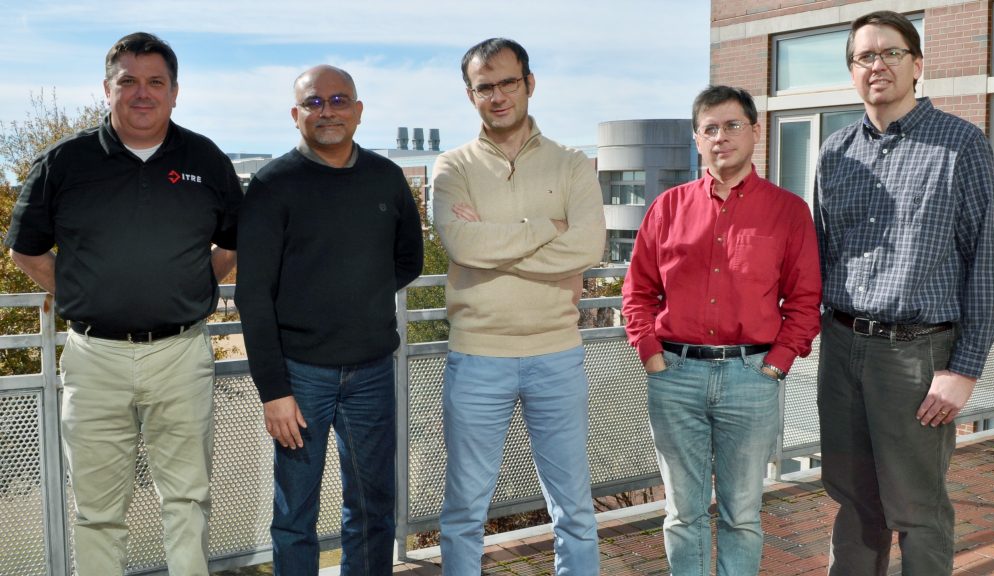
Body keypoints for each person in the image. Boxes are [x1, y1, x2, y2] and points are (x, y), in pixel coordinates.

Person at [4, 32, 241, 575]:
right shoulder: (64, 162)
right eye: (128, 81)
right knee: (97, 511)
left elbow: (231, 244)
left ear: (175, 92)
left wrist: (186, 286)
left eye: (155, 82)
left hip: (181, 354)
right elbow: (25, 250)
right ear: (106, 89)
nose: (142, 93)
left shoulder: (206, 159)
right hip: (94, 359)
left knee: (188, 500)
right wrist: (90, 293)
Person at [815, 10, 994, 575]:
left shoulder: (961, 144)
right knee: (852, 502)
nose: (877, 65)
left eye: (890, 53)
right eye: (864, 56)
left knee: (917, 509)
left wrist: (963, 369)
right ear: (851, 72)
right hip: (842, 346)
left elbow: (989, 269)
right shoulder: (835, 152)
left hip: (917, 356)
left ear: (917, 64)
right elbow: (825, 255)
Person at [621, 85, 821, 576]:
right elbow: (638, 291)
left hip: (750, 378)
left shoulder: (788, 211)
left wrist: (774, 367)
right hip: (675, 376)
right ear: (697, 139)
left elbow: (805, 300)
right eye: (709, 128)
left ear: (755, 131)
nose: (721, 136)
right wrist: (651, 355)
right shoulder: (667, 208)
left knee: (743, 515)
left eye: (732, 125)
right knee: (682, 514)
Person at [235, 65, 423, 576]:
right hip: (300, 376)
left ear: (358, 111)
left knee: (372, 505)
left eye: (339, 100)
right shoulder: (273, 186)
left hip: (372, 371)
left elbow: (411, 260)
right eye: (314, 103)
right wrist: (274, 391)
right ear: (296, 115)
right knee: (295, 513)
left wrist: (354, 296)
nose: (328, 111)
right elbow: (252, 295)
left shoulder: (386, 177)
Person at [432, 38, 605, 575]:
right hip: (477, 358)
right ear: (471, 95)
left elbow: (589, 247)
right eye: (486, 87)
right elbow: (462, 247)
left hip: (557, 355)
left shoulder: (572, 164)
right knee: (464, 510)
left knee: (574, 508)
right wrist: (546, 232)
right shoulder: (451, 166)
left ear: (529, 83)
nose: (499, 95)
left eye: (509, 82)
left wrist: (496, 244)